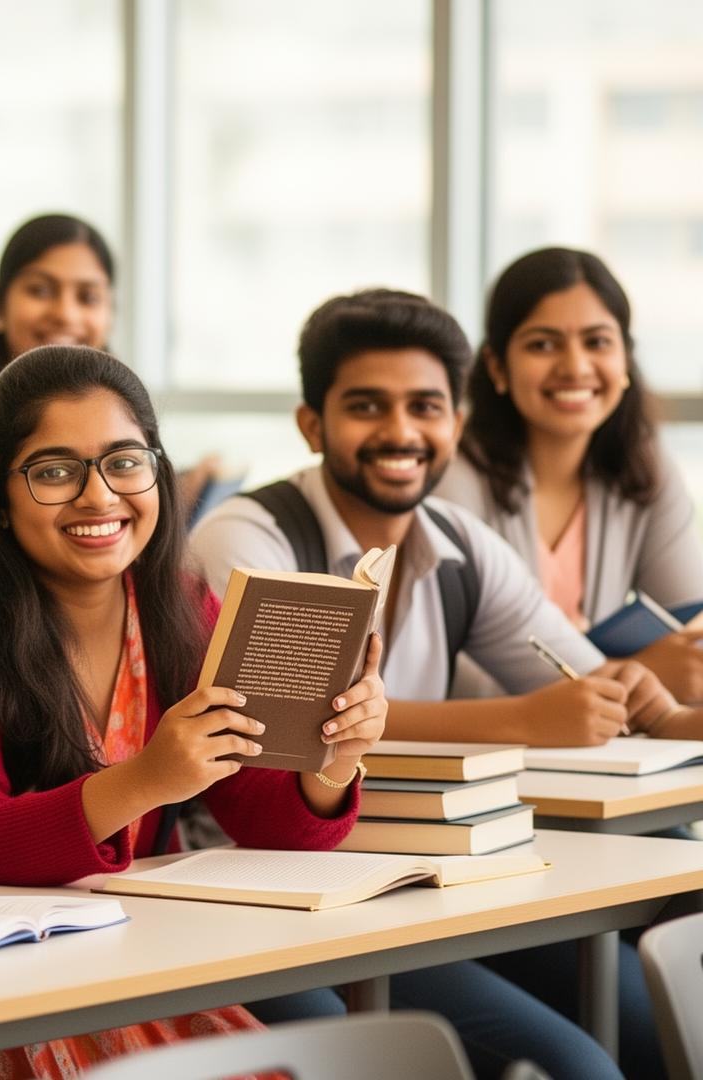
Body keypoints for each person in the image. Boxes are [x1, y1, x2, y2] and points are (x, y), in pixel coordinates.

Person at [190, 287, 662, 1079]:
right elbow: (297, 732)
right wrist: (525, 719)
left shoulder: (457, 547)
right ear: (313, 425)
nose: (401, 432)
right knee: (577, 1066)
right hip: (274, 894)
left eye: (426, 406)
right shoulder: (252, 537)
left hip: (420, 878)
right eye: (367, 407)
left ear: (458, 421)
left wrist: (639, 697)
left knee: (634, 1033)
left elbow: (583, 679)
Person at [0, 346, 380, 1075]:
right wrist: (148, 779)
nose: (99, 496)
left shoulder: (181, 605)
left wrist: (334, 759)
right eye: (54, 472)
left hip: (143, 952)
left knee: (331, 1027)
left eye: (125, 462)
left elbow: (267, 819)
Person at [438, 247, 703, 700]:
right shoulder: (450, 476)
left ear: (625, 361)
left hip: (593, 748)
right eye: (542, 344)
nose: (575, 367)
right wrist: (632, 672)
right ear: (498, 367)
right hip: (482, 750)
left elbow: (688, 634)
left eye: (597, 342)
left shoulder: (646, 466)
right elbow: (453, 673)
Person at [0, 213, 224, 511]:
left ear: (110, 316)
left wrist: (175, 500)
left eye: (88, 297)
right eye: (40, 291)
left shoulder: (124, 414)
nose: (65, 314)